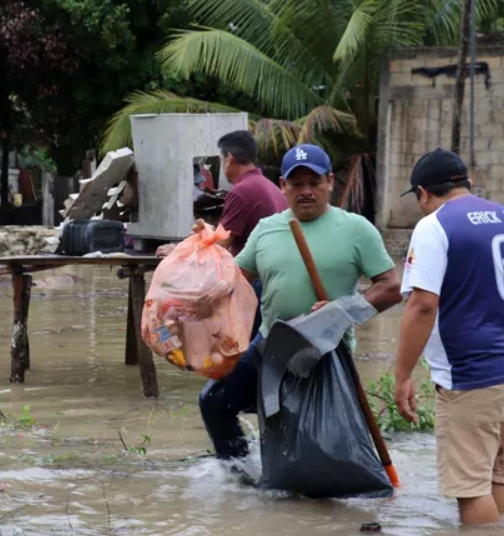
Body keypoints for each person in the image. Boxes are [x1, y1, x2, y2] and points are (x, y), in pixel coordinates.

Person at [198, 143, 402, 462]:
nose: (306, 191)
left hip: (326, 350)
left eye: (314, 183)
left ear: (330, 182)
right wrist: (200, 252)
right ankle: (237, 476)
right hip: (271, 345)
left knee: (316, 443)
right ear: (283, 186)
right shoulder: (267, 230)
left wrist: (342, 310)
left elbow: (391, 287)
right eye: (296, 184)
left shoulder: (356, 229)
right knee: (214, 401)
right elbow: (233, 280)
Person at [394, 148, 504, 525]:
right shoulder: (503, 216)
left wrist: (403, 375)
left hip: (471, 377)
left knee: (471, 490)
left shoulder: (434, 226)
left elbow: (422, 305)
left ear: (423, 193)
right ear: (467, 182)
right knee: (498, 476)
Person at [157, 130, 287, 335]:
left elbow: (219, 247)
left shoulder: (241, 191)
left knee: (235, 352)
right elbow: (220, 236)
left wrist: (177, 251)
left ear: (229, 159)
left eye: (221, 158)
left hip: (253, 285)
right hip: (274, 282)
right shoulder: (271, 188)